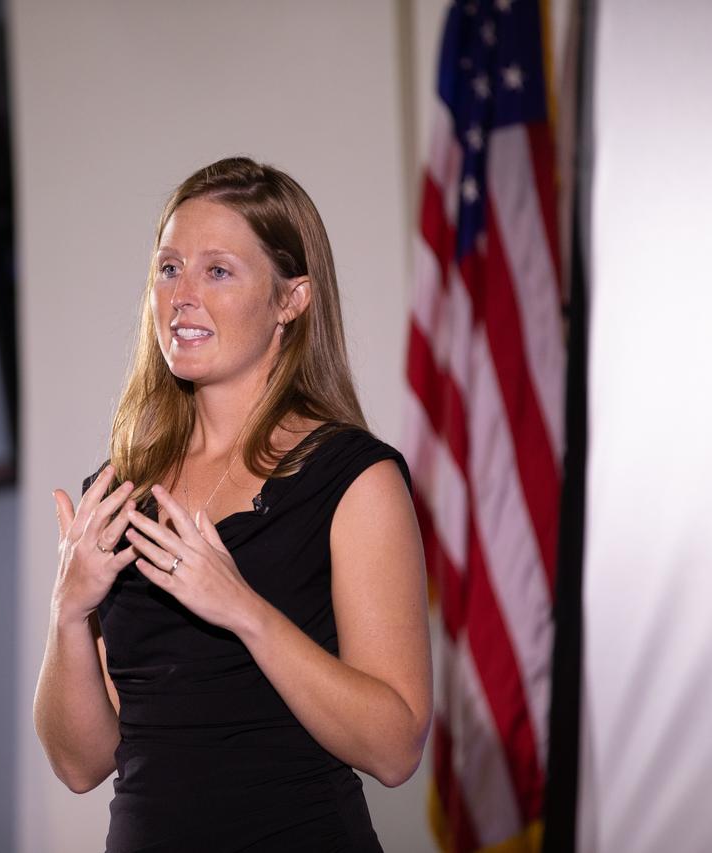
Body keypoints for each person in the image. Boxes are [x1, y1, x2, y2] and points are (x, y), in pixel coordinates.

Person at [34, 156, 432, 852]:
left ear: (291, 299)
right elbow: (79, 763)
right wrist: (68, 613)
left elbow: (395, 748)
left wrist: (243, 609)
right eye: (168, 268)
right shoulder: (121, 489)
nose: (181, 295)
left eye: (217, 271)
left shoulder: (353, 478)